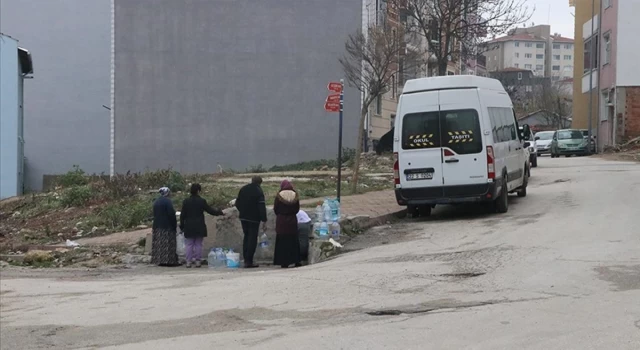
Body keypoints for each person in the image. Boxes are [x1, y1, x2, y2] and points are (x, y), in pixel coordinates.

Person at [180, 183, 224, 268]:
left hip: (189, 225)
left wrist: (182, 226)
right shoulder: (201, 201)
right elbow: (210, 210)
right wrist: (219, 212)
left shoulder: (186, 201)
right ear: (198, 191)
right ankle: (198, 262)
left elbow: (182, 215)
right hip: (199, 225)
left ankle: (188, 262)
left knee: (189, 244)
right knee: (198, 244)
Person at [235, 176, 267, 268]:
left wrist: (243, 211)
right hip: (254, 219)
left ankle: (246, 259)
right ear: (260, 183)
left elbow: (237, 203)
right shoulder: (259, 191)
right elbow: (261, 207)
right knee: (252, 239)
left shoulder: (243, 189)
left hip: (243, 218)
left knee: (246, 237)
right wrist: (264, 220)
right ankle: (249, 261)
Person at [273, 180, 301, 268]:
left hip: (281, 221)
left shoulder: (279, 195)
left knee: (282, 241)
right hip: (292, 220)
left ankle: (284, 262)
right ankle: (296, 260)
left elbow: (275, 209)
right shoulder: (295, 195)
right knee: (293, 241)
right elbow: (297, 209)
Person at [151, 187, 179, 266]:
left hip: (157, 225)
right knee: (168, 244)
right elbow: (171, 214)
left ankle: (160, 260)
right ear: (167, 193)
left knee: (159, 244)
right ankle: (169, 261)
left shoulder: (156, 202)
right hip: (167, 226)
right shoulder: (168, 202)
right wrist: (174, 225)